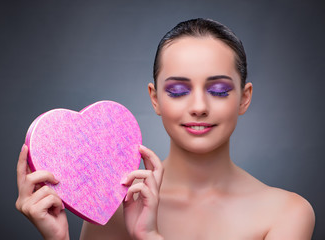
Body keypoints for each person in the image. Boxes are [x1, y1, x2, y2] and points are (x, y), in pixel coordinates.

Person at [16, 18, 315, 239]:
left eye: (220, 90)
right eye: (178, 91)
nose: (199, 106)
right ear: (155, 98)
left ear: (244, 98)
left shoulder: (288, 212)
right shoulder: (111, 207)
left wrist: (150, 237)